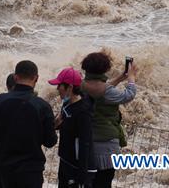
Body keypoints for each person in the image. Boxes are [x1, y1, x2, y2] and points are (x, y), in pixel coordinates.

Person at [0, 60, 58, 188]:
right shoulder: (42, 106)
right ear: (36, 78)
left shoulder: (0, 100)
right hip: (30, 171)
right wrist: (52, 126)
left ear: (15, 77)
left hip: (1, 168)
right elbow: (50, 141)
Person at [81, 52, 136, 188]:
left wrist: (119, 78)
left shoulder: (81, 86)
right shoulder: (107, 92)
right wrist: (131, 78)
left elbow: (102, 88)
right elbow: (128, 95)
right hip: (107, 148)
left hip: (86, 143)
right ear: (105, 69)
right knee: (104, 182)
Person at [50, 67, 94, 188]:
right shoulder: (66, 104)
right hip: (66, 161)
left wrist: (82, 175)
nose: (57, 88)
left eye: (60, 85)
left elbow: (85, 143)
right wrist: (55, 124)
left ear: (69, 87)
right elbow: (63, 124)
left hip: (77, 167)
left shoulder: (83, 111)